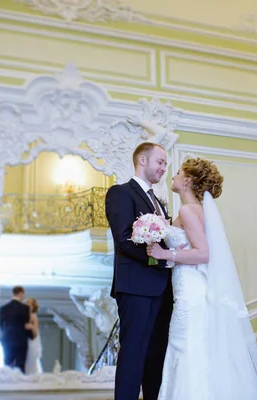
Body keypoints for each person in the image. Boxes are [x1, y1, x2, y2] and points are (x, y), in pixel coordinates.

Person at [146, 158, 257, 400]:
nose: (173, 176)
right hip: (188, 286)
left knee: (186, 347)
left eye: (178, 172)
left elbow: (203, 253)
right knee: (189, 348)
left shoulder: (188, 210)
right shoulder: (195, 210)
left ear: (188, 180)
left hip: (190, 292)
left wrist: (164, 253)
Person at [105, 142, 184, 400]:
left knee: (156, 354)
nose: (164, 167)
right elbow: (124, 240)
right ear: (142, 160)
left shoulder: (158, 202)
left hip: (163, 288)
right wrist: (161, 260)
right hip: (136, 287)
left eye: (165, 163)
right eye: (160, 162)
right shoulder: (120, 193)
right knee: (133, 352)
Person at [0, 286, 33, 373]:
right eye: (23, 294)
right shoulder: (25, 308)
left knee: (7, 364)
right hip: (20, 340)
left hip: (7, 339)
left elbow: (2, 326)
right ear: (21, 293)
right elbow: (26, 325)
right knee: (20, 366)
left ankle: (7, 384)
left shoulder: (3, 308)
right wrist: (31, 335)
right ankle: (20, 385)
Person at [24, 298, 43, 374]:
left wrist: (30, 326)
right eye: (27, 303)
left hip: (31, 340)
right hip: (24, 339)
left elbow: (35, 331)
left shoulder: (33, 317)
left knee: (31, 358)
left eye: (31, 304)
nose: (28, 305)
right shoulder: (23, 315)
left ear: (33, 307)